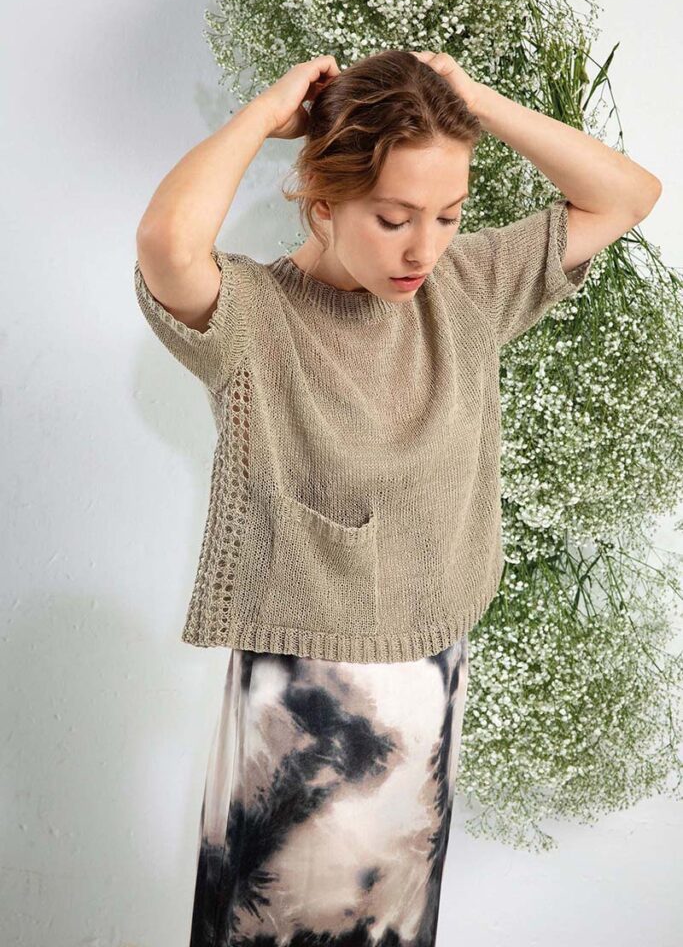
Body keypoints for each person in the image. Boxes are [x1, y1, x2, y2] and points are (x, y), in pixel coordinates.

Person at [133, 49, 661, 945]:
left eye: (447, 215)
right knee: (285, 925)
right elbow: (166, 245)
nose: (424, 247)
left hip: (428, 683)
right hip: (305, 708)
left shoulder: (467, 289)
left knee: (392, 926)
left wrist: (473, 101)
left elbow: (626, 195)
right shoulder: (254, 319)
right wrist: (266, 112)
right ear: (322, 200)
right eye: (392, 217)